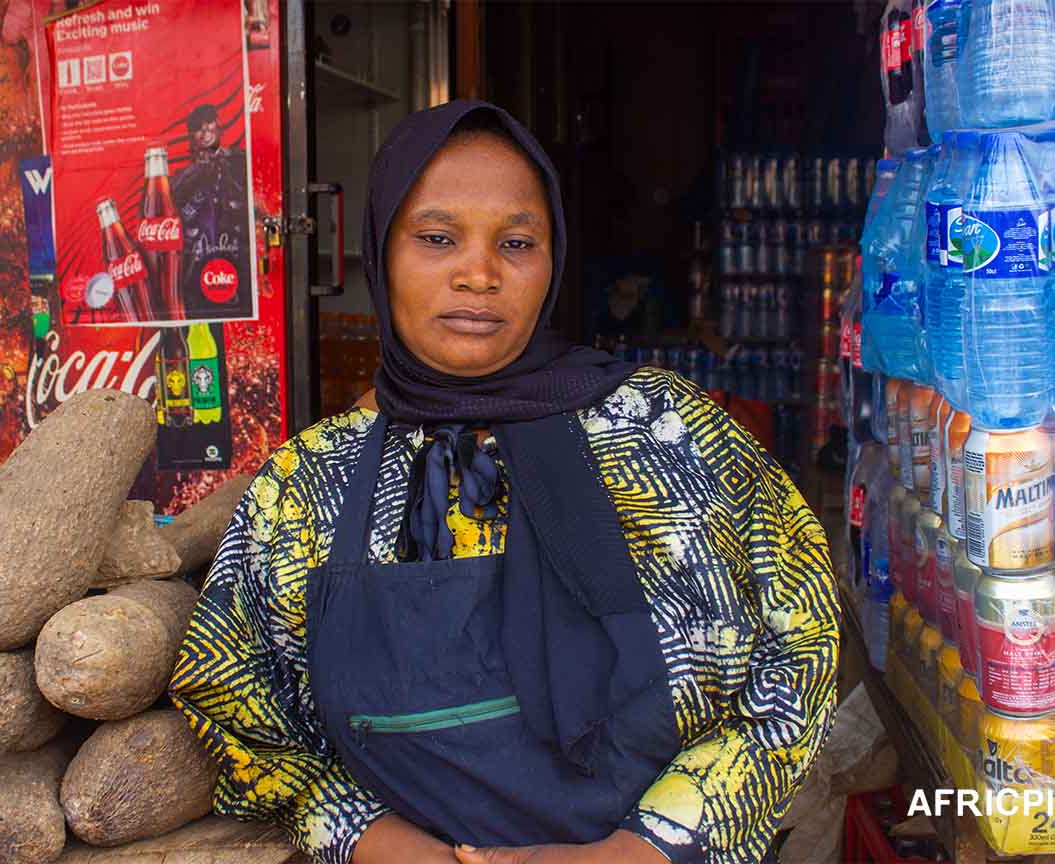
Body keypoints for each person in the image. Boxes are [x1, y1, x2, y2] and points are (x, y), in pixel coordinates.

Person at [170, 100, 838, 864]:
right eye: (436, 238)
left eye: (516, 242)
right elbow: (234, 707)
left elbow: (803, 651)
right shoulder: (308, 482)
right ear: (381, 255)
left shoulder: (672, 437)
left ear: (554, 260)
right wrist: (376, 843)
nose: (479, 273)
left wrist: (635, 853)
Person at [171, 103, 250, 316]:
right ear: (191, 135)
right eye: (199, 128)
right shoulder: (181, 177)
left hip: (235, 259)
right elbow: (176, 218)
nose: (205, 132)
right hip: (197, 264)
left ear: (219, 127)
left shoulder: (238, 162)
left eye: (209, 125)